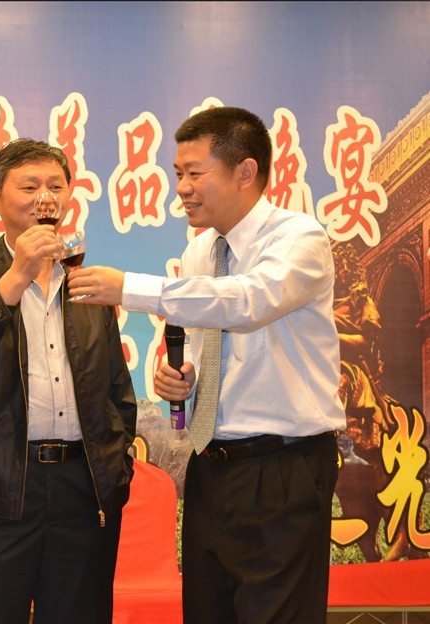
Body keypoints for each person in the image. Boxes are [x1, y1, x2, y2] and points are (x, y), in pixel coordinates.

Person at [67, 106, 345, 623]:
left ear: (246, 171)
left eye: (195, 173)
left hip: (282, 467)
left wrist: (129, 288)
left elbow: (248, 301)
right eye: (178, 174)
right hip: (211, 466)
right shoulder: (201, 252)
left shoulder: (298, 239)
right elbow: (206, 340)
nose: (183, 189)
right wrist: (185, 378)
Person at [0, 138, 138, 623]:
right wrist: (17, 275)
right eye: (29, 187)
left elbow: (117, 389)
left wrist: (118, 461)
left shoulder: (85, 282)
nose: (45, 198)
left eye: (56, 186)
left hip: (82, 490)